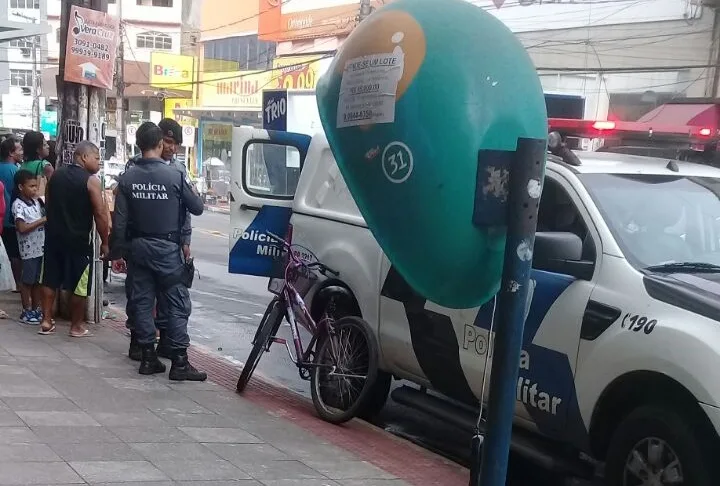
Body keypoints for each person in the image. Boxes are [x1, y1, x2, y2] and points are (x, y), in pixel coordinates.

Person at [110, 122, 205, 380]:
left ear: (139, 144)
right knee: (175, 303)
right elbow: (197, 207)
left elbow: (119, 222)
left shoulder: (127, 178)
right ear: (160, 144)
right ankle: (180, 362)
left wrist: (116, 252)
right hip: (168, 250)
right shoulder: (174, 176)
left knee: (141, 302)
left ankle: (148, 357)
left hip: (138, 249)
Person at [124, 118, 192, 361]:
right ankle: (141, 344)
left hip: (170, 243)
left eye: (176, 144)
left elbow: (186, 212)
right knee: (142, 297)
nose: (172, 148)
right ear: (159, 140)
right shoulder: (134, 168)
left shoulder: (179, 170)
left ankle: (164, 345)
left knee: (165, 298)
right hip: (148, 243)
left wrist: (185, 241)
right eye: (170, 142)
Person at [38, 141, 109, 337]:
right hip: (78, 240)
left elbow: (48, 202)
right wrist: (105, 241)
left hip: (53, 237)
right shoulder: (91, 180)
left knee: (50, 279)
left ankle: (46, 320)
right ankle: (76, 325)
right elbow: (100, 214)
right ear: (84, 157)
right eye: (97, 158)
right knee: (80, 284)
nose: (99, 163)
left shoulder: (56, 175)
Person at [12, 170, 46, 324]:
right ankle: (26, 309)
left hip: (40, 247)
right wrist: (42, 221)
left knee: (37, 281)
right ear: (21, 187)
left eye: (35, 186)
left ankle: (35, 308)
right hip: (28, 250)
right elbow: (22, 228)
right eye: (31, 186)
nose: (34, 189)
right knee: (27, 281)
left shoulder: (36, 202)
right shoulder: (18, 205)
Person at [0, 138, 22, 290]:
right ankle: (16, 284)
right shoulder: (15, 171)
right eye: (19, 150)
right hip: (11, 218)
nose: (22, 153)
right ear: (11, 152)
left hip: (4, 218)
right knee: (15, 254)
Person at [21, 131, 53, 200]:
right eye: (44, 145)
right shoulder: (45, 166)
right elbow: (53, 190)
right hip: (40, 204)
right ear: (38, 149)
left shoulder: (22, 165)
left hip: (26, 204)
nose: (48, 146)